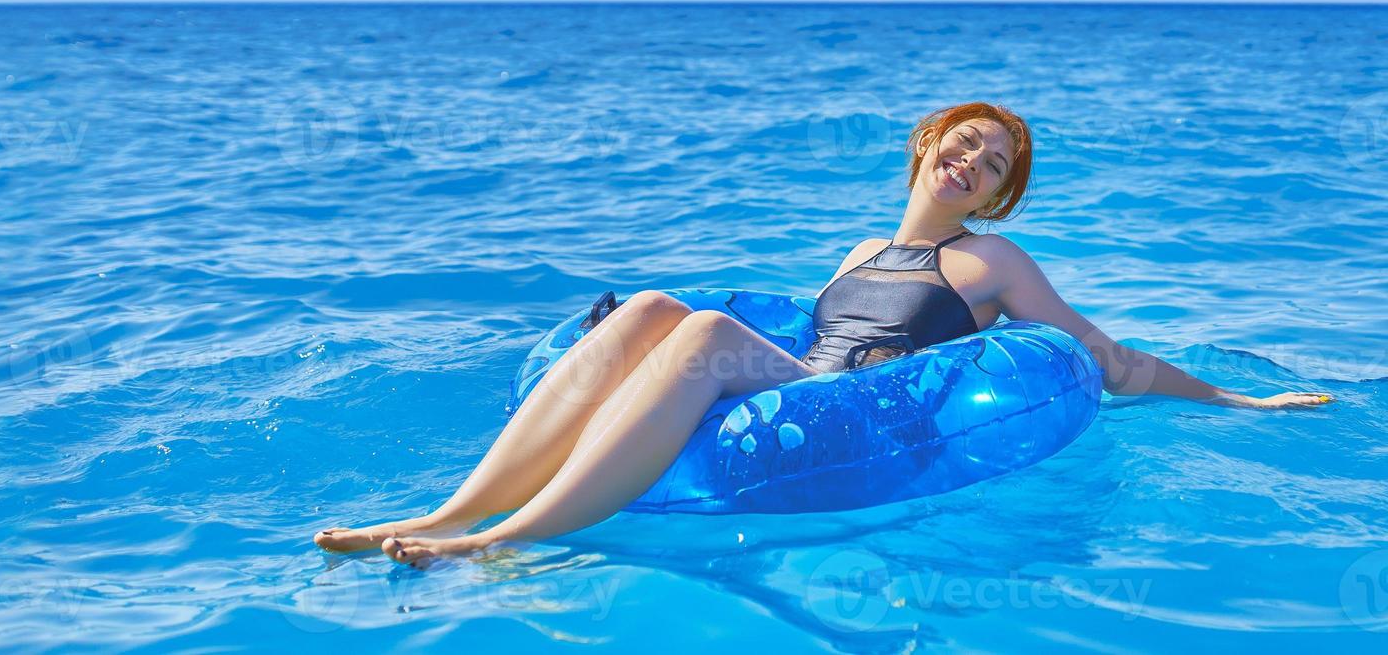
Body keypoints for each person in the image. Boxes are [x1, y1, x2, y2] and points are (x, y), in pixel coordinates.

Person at [314, 101, 1332, 568]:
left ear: (1000, 197)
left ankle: (500, 541)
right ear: (927, 145)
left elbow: (1102, 359)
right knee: (656, 307)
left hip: (860, 414)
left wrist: (1243, 398)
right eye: (963, 143)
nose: (971, 164)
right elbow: (807, 339)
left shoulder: (992, 265)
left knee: (699, 323)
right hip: (801, 379)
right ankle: (446, 506)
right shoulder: (854, 249)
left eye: (993, 165)